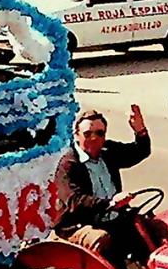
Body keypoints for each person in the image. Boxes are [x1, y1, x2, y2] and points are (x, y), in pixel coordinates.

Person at [52, 105, 154, 256]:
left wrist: (140, 130)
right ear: (76, 135)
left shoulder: (108, 151)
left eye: (99, 133)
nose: (94, 138)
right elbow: (74, 201)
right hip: (78, 224)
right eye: (87, 134)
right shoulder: (68, 163)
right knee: (100, 239)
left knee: (153, 228)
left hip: (113, 218)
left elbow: (140, 151)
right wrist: (111, 203)